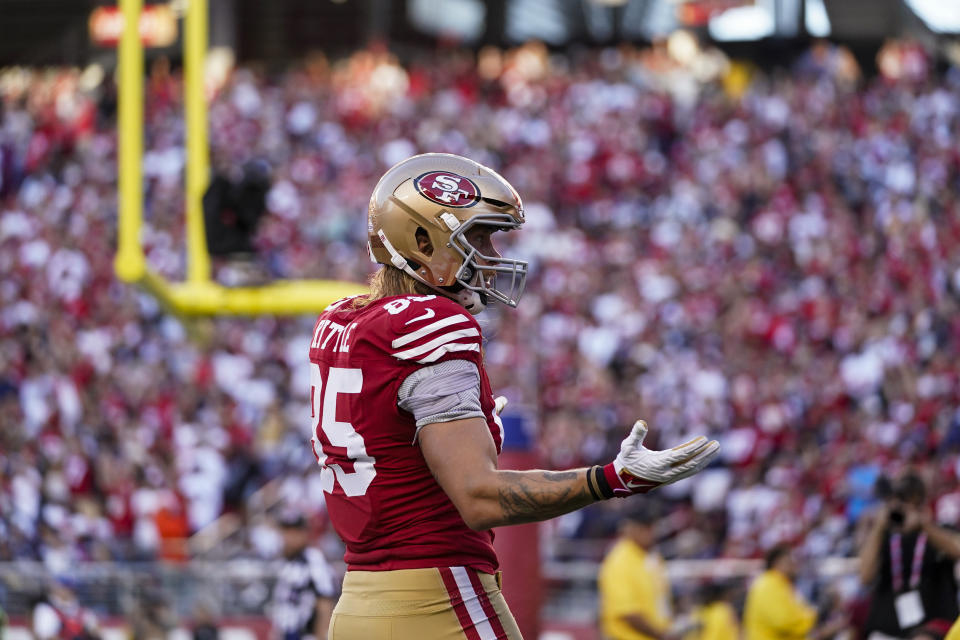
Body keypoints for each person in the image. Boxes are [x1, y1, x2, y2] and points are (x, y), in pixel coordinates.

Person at [308, 153, 720, 639]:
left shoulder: (341, 320)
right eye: (477, 238)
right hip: (439, 599)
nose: (493, 256)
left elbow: (393, 440)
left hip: (357, 606)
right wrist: (613, 478)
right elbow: (479, 496)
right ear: (423, 241)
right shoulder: (432, 324)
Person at [859, 472, 960, 639]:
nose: (903, 507)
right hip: (888, 625)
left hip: (933, 624)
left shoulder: (940, 530)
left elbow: (957, 550)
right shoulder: (884, 537)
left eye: (909, 501)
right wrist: (879, 526)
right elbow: (865, 576)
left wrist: (924, 526)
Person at [597, 506, 674, 640]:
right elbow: (628, 613)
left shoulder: (653, 557)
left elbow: (661, 600)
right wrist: (662, 635)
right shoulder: (619, 561)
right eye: (645, 528)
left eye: (652, 527)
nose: (651, 533)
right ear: (630, 529)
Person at [743, 544, 845, 640]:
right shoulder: (768, 584)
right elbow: (783, 622)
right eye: (790, 562)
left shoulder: (781, 585)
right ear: (777, 563)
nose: (794, 566)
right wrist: (815, 617)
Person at [271, 514, 337, 640]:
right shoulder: (286, 562)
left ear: (305, 533)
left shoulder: (313, 560)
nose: (289, 538)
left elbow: (325, 601)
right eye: (286, 532)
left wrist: (321, 636)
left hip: (306, 634)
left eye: (294, 532)